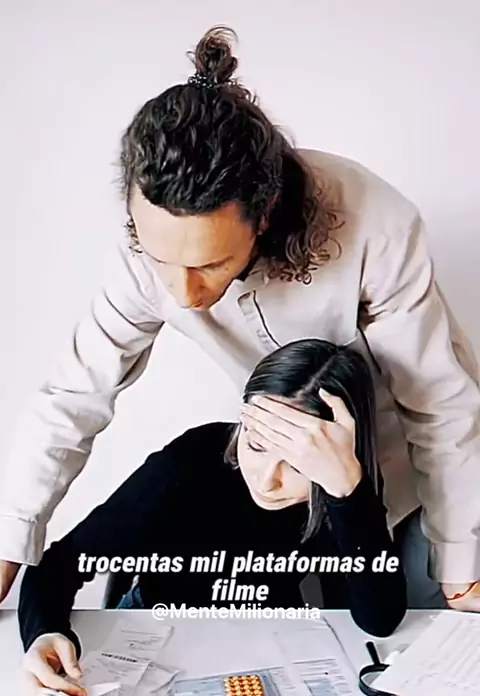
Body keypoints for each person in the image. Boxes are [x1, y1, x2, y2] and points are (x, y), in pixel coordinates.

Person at [1, 27, 480, 610]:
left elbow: (439, 404)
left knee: (416, 630)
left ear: (265, 214)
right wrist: (9, 540)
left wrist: (461, 563)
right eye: (160, 259)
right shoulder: (149, 253)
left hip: (412, 481)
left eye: (209, 264)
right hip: (281, 485)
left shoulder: (374, 225)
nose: (183, 293)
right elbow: (73, 396)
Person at [20, 339, 407, 696]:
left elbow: (377, 620)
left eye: (297, 464)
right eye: (256, 446)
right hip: (157, 629)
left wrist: (348, 493)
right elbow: (59, 564)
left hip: (265, 636)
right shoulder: (191, 462)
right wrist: (44, 632)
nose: (266, 480)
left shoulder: (341, 489)